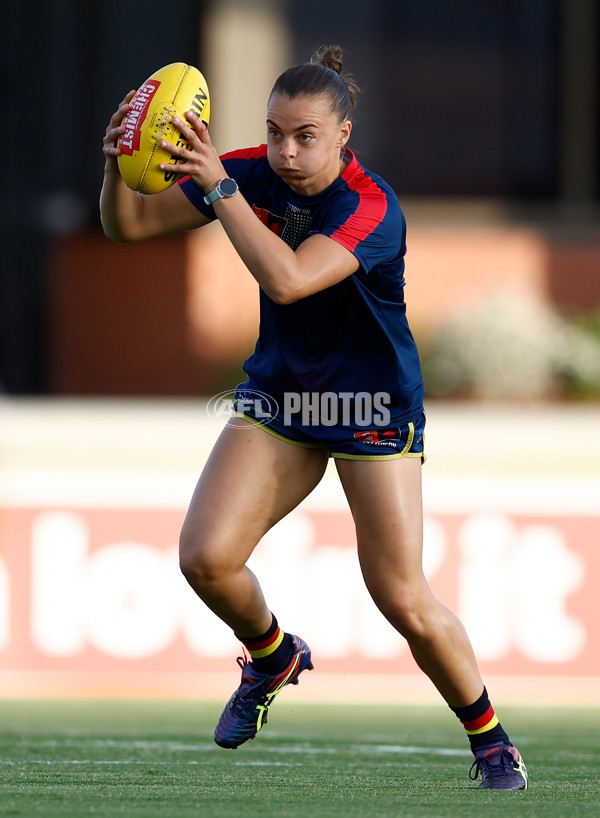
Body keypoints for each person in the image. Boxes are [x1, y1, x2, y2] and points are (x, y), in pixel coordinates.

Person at [101, 45, 528, 790]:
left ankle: (490, 738)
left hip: (369, 405)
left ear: (343, 136)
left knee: (400, 596)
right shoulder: (250, 172)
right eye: (273, 133)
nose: (285, 151)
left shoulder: (370, 206)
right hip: (284, 397)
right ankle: (273, 657)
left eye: (304, 136)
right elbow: (128, 227)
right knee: (205, 558)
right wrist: (118, 164)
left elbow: (290, 280)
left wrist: (221, 187)